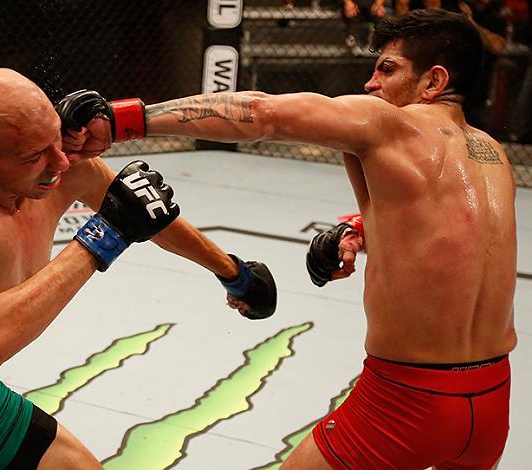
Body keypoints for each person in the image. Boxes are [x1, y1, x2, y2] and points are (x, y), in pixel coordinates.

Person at [60, 9, 518, 469]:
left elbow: (260, 114)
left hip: (407, 400)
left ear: (433, 81)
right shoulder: (491, 155)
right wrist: (359, 231)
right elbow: (459, 238)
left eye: (387, 68)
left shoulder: (390, 123)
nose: (371, 84)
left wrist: (121, 121)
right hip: (492, 403)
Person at [0, 68, 277, 469]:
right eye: (37, 155)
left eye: (57, 141)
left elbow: (144, 211)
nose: (60, 163)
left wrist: (232, 273)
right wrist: (102, 237)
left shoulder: (59, 169)